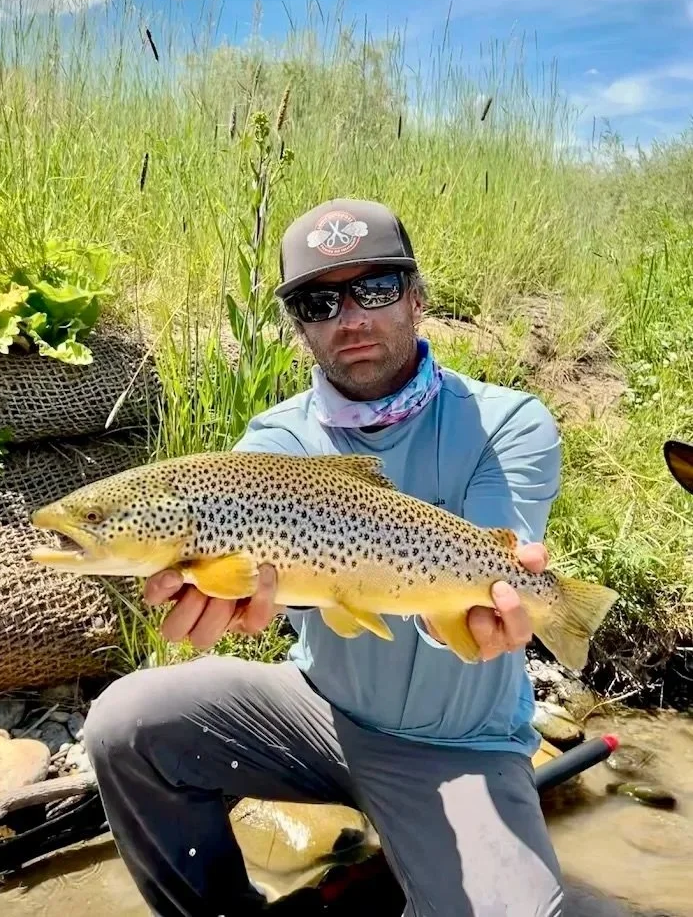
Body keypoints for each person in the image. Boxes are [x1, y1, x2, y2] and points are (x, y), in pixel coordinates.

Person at [84, 198, 565, 917]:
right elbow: (240, 586)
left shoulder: (507, 423)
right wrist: (225, 601)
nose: (351, 318)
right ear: (300, 326)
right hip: (318, 715)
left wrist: (486, 614)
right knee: (126, 722)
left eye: (374, 289)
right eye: (319, 300)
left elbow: (483, 574)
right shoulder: (272, 443)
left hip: (459, 742)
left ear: (416, 299)